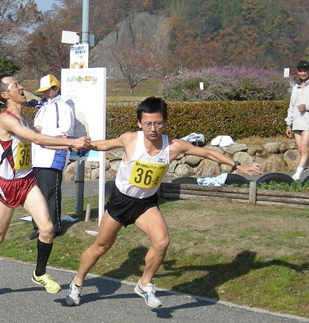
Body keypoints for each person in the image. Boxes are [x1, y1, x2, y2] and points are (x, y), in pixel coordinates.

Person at [66, 97, 263, 307]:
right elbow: (104, 144)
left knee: (162, 242)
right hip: (121, 202)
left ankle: (144, 283)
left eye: (158, 123)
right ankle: (77, 283)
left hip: (146, 204)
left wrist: (237, 165)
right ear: (139, 123)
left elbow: (206, 152)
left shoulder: (174, 146)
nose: (153, 129)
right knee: (101, 246)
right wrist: (80, 144)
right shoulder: (131, 139)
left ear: (165, 122)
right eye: (148, 124)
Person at [0, 74, 90, 296]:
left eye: (19, 82)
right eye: (15, 85)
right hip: (8, 186)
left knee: (47, 229)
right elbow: (37, 139)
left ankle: (39, 273)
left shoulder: (25, 119)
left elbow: (41, 141)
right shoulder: (6, 120)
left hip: (27, 183)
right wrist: (71, 141)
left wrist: (72, 147)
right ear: (5, 95)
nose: (21, 86)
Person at [28, 74, 75, 240]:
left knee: (50, 193)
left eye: (48, 90)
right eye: (43, 91)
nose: (45, 94)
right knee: (36, 193)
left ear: (56, 88)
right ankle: (38, 225)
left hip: (53, 155)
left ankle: (54, 227)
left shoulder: (63, 108)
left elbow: (65, 132)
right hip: (38, 156)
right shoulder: (42, 107)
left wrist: (42, 132)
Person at [285, 60, 309, 181]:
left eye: (305, 70)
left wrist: (307, 107)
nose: (303, 73)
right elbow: (292, 107)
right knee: (300, 149)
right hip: (297, 122)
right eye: (300, 71)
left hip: (308, 122)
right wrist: (288, 124)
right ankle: (306, 168)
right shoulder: (295, 87)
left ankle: (297, 174)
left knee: (304, 148)